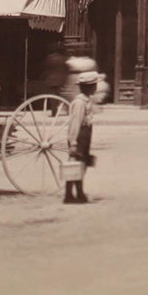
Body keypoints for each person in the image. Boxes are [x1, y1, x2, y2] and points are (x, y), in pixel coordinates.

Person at [64, 70, 101, 204]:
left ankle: (78, 193)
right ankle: (70, 194)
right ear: (89, 87)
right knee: (75, 165)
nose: (96, 88)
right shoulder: (79, 103)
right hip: (79, 137)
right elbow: (75, 123)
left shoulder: (86, 100)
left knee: (81, 165)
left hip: (85, 137)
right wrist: (73, 142)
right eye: (94, 85)